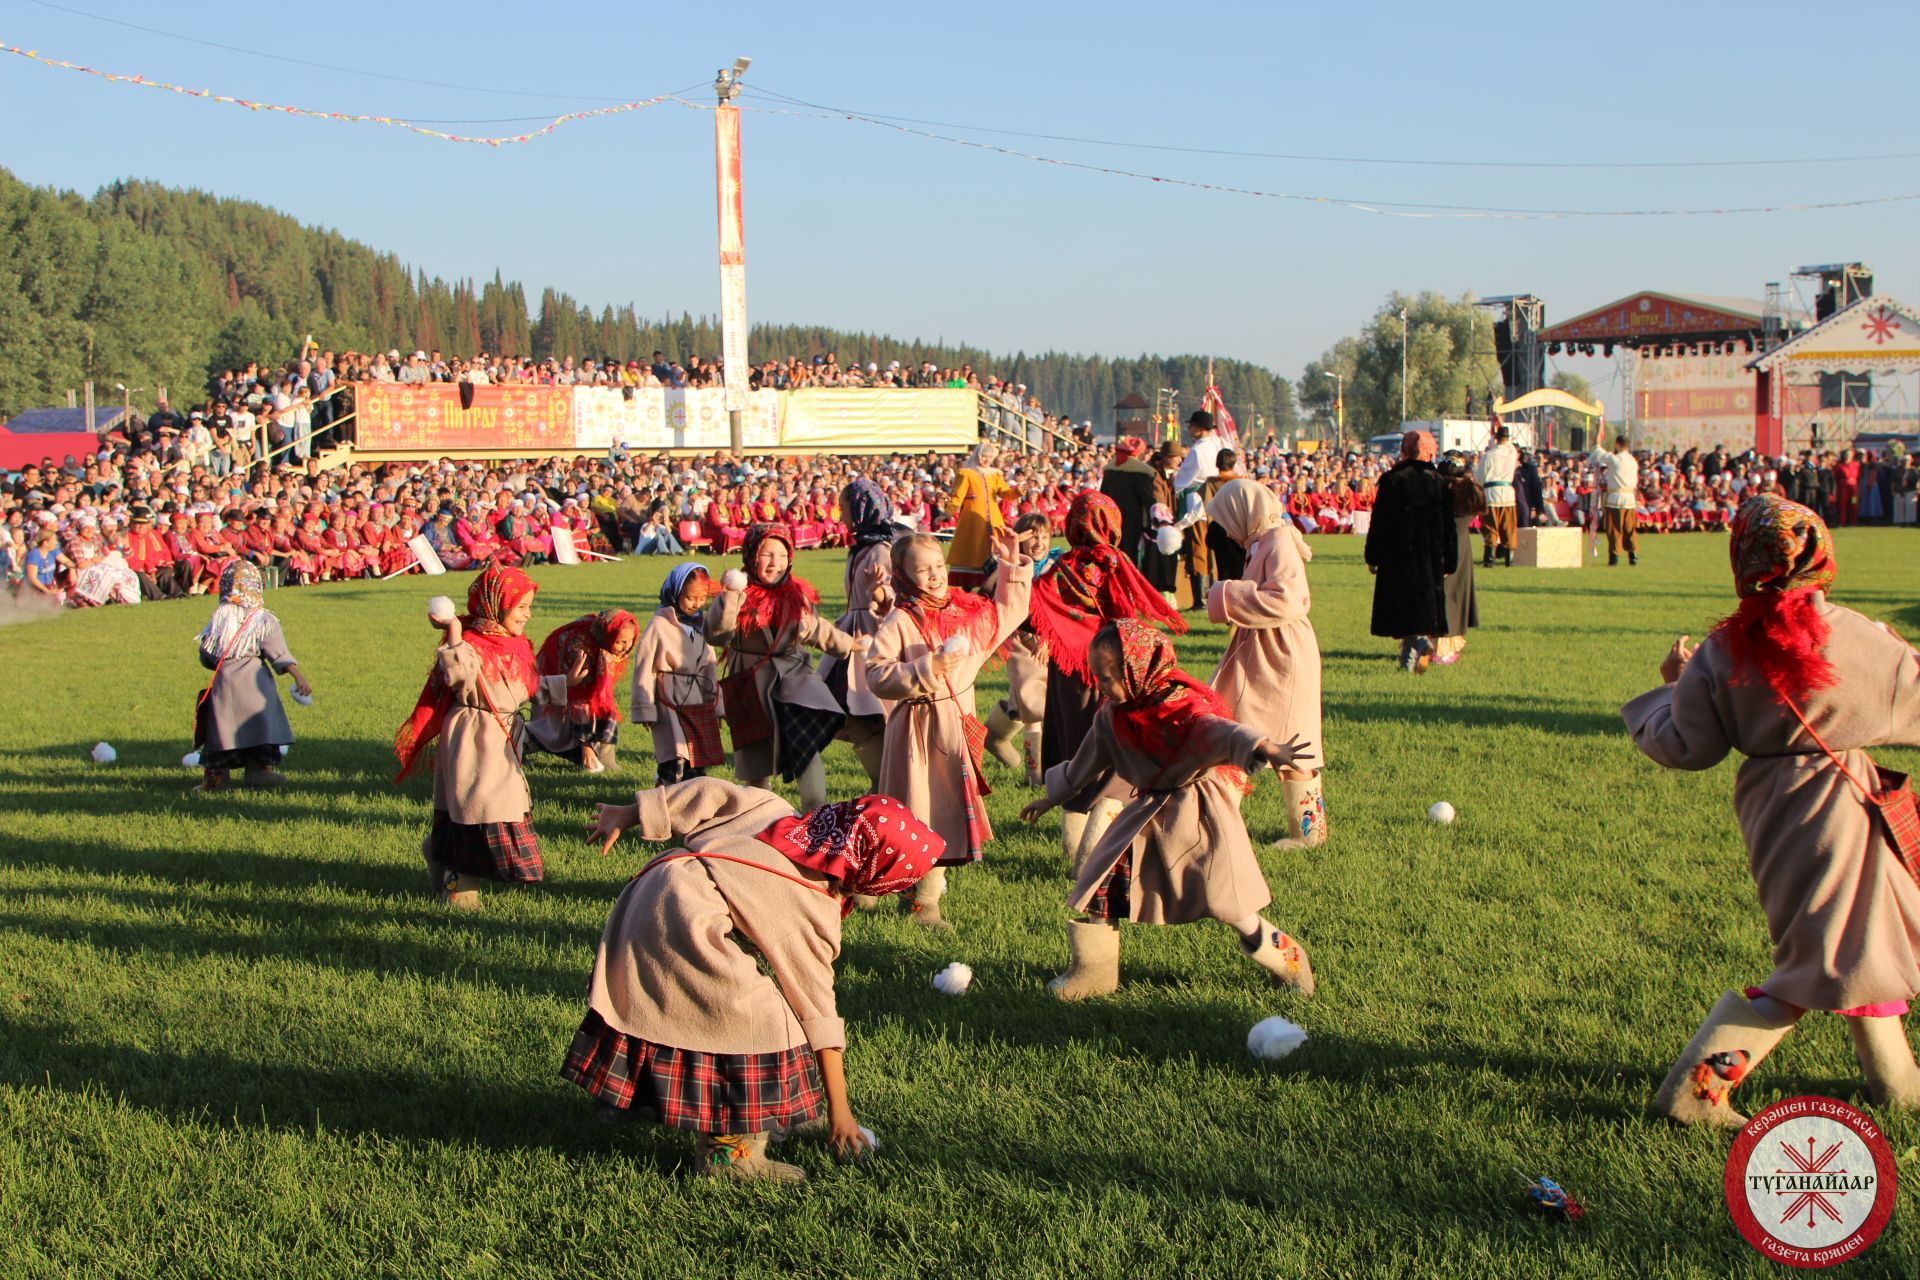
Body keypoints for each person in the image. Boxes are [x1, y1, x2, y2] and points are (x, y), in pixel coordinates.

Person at [1624, 495, 1920, 1124]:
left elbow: (1687, 745)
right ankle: (1695, 1093)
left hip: (1772, 808)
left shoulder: (1720, 651)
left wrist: (1673, 688)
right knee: (1826, 955)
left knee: (1858, 947)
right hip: (1842, 802)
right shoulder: (1856, 635)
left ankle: (1897, 1083)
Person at [566, 780, 945, 1183]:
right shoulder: (807, 902)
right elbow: (817, 1012)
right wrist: (841, 1111)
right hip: (688, 928)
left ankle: (626, 1101)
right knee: (759, 1025)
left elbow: (708, 793)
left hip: (646, 901)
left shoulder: (772, 808)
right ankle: (728, 1158)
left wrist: (631, 812)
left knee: (668, 1010)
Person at [1022, 620, 1314, 1001]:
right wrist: (1052, 796)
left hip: (1197, 818)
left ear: (1136, 671)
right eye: (1097, 676)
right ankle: (1093, 973)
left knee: (1228, 905)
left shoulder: (1183, 710)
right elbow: (1085, 762)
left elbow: (1222, 731)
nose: (1100, 686)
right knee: (1102, 884)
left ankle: (1289, 961)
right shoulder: (1112, 716)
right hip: (1144, 814)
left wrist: (1264, 746)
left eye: (1108, 678)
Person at [865, 527, 1032, 929]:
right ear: (904, 576)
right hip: (916, 732)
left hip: (957, 729)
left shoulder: (967, 614)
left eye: (939, 565)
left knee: (946, 817)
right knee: (916, 816)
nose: (936, 575)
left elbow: (1011, 611)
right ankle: (892, 892)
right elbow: (875, 673)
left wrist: (1011, 562)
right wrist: (927, 668)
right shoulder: (900, 620)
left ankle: (920, 899)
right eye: (923, 570)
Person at [1028, 492, 1187, 876]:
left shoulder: (1058, 565)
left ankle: (1073, 850)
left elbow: (1035, 607)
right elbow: (1126, 614)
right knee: (1112, 753)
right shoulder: (1113, 562)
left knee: (1071, 744)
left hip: (1067, 670)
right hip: (1110, 671)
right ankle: (1090, 857)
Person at [394, 566, 545, 910]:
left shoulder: (516, 644)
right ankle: (459, 888)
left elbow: (529, 687)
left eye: (529, 606)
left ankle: (440, 855)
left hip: (503, 739)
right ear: (497, 604)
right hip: (474, 739)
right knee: (475, 812)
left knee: (493, 809)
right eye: (521, 607)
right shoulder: (471, 645)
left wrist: (564, 687)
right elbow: (458, 676)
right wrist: (454, 634)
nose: (527, 614)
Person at [707, 523, 866, 813]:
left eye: (781, 555)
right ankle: (757, 820)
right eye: (767, 554)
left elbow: (819, 630)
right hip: (750, 682)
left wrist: (852, 644)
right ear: (752, 555)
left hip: (796, 682)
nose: (775, 563)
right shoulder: (737, 592)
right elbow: (716, 635)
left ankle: (815, 814)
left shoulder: (797, 595)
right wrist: (730, 598)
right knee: (757, 763)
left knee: (807, 751)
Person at [1205, 479, 1328, 849]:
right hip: (1263, 652)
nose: (1226, 529)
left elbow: (1289, 599)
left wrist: (1225, 593)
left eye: (1227, 519)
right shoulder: (1262, 540)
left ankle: (1308, 834)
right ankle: (1222, 823)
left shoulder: (1277, 541)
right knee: (1237, 732)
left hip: (1281, 654)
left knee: (1281, 736)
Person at [193, 561, 309, 793]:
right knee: (260, 727)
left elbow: (207, 656)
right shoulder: (264, 620)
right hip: (257, 685)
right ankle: (258, 771)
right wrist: (299, 677)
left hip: (224, 684)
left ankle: (217, 778)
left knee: (222, 731)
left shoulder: (220, 618)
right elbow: (279, 654)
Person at [820, 479, 897, 786]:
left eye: (845, 508)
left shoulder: (879, 550)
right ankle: (882, 778)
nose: (840, 516)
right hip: (851, 634)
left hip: (870, 637)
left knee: (866, 709)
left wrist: (878, 591)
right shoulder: (861, 548)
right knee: (851, 711)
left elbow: (890, 597)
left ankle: (884, 780)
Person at [1364, 431, 1456, 673]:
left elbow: (1379, 522)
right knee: (1421, 608)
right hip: (1430, 555)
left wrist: (1373, 556)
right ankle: (1413, 653)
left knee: (1402, 608)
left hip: (1398, 554)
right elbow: (1449, 526)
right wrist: (1450, 560)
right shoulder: (1439, 482)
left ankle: (1413, 651)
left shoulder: (1392, 479)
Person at [630, 563, 723, 786]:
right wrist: (645, 709)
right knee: (675, 757)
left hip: (696, 700)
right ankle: (664, 803)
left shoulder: (701, 625)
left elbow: (710, 666)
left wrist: (716, 706)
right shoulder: (659, 625)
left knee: (696, 758)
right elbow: (644, 668)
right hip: (669, 699)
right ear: (676, 592)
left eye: (702, 599)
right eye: (691, 598)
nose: (697, 604)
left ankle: (694, 806)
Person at [983, 512, 1053, 785]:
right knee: (1027, 700)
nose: (1039, 542)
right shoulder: (1013, 567)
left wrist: (1047, 639)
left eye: (1045, 536)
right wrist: (1006, 562)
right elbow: (988, 590)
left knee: (1028, 701)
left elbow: (1058, 611)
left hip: (1046, 644)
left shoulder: (1052, 570)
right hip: (1021, 641)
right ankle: (1028, 769)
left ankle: (1028, 769)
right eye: (1032, 536)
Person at [528, 610, 640, 773]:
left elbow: (599, 695)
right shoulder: (581, 652)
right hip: (554, 682)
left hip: (571, 686)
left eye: (630, 641)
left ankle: (606, 759)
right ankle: (520, 746)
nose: (627, 647)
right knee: (553, 731)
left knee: (606, 711)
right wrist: (585, 745)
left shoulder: (604, 646)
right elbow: (580, 699)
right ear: (608, 634)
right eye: (621, 641)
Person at [1433, 457, 1484, 665]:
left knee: (1442, 594)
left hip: (1437, 545)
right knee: (1451, 595)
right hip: (1460, 546)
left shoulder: (1436, 492)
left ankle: (1435, 644)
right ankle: (1442, 648)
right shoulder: (1471, 493)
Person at [1173, 409, 1223, 605]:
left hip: (1196, 497)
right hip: (1215, 500)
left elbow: (1184, 479)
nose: (1189, 428)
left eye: (1192, 425)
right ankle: (1208, 593)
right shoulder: (1215, 444)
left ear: (1200, 428)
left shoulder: (1197, 450)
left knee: (1197, 548)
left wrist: (1174, 487)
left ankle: (1199, 599)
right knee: (1211, 549)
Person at [943, 442, 1008, 592]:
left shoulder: (995, 474)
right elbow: (958, 496)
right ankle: (968, 586)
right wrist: (947, 513)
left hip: (993, 520)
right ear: (978, 455)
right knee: (972, 551)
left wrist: (1018, 491)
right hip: (972, 519)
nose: (987, 460)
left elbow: (1005, 493)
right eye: (984, 456)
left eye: (990, 457)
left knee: (993, 549)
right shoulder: (967, 473)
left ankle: (991, 583)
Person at [1098, 436, 1157, 569]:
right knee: (1130, 557)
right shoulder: (1141, 473)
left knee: (1114, 554)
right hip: (1133, 521)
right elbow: (1147, 499)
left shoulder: (1110, 471)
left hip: (1112, 520)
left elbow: (1103, 497)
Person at [1474, 421, 1519, 567]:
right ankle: (1509, 559)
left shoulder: (1488, 456)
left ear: (1496, 438)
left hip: (1491, 492)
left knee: (1490, 525)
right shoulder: (1512, 454)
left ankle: (1489, 559)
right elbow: (1511, 447)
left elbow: (1480, 477)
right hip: (1507, 493)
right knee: (1508, 526)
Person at [1591, 434, 1640, 566]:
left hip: (1615, 498)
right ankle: (1633, 555)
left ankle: (1614, 556)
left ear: (1617, 445)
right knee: (1630, 528)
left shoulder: (1615, 459)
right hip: (1630, 498)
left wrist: (1597, 441)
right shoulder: (1633, 460)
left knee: (1614, 528)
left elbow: (1598, 453)